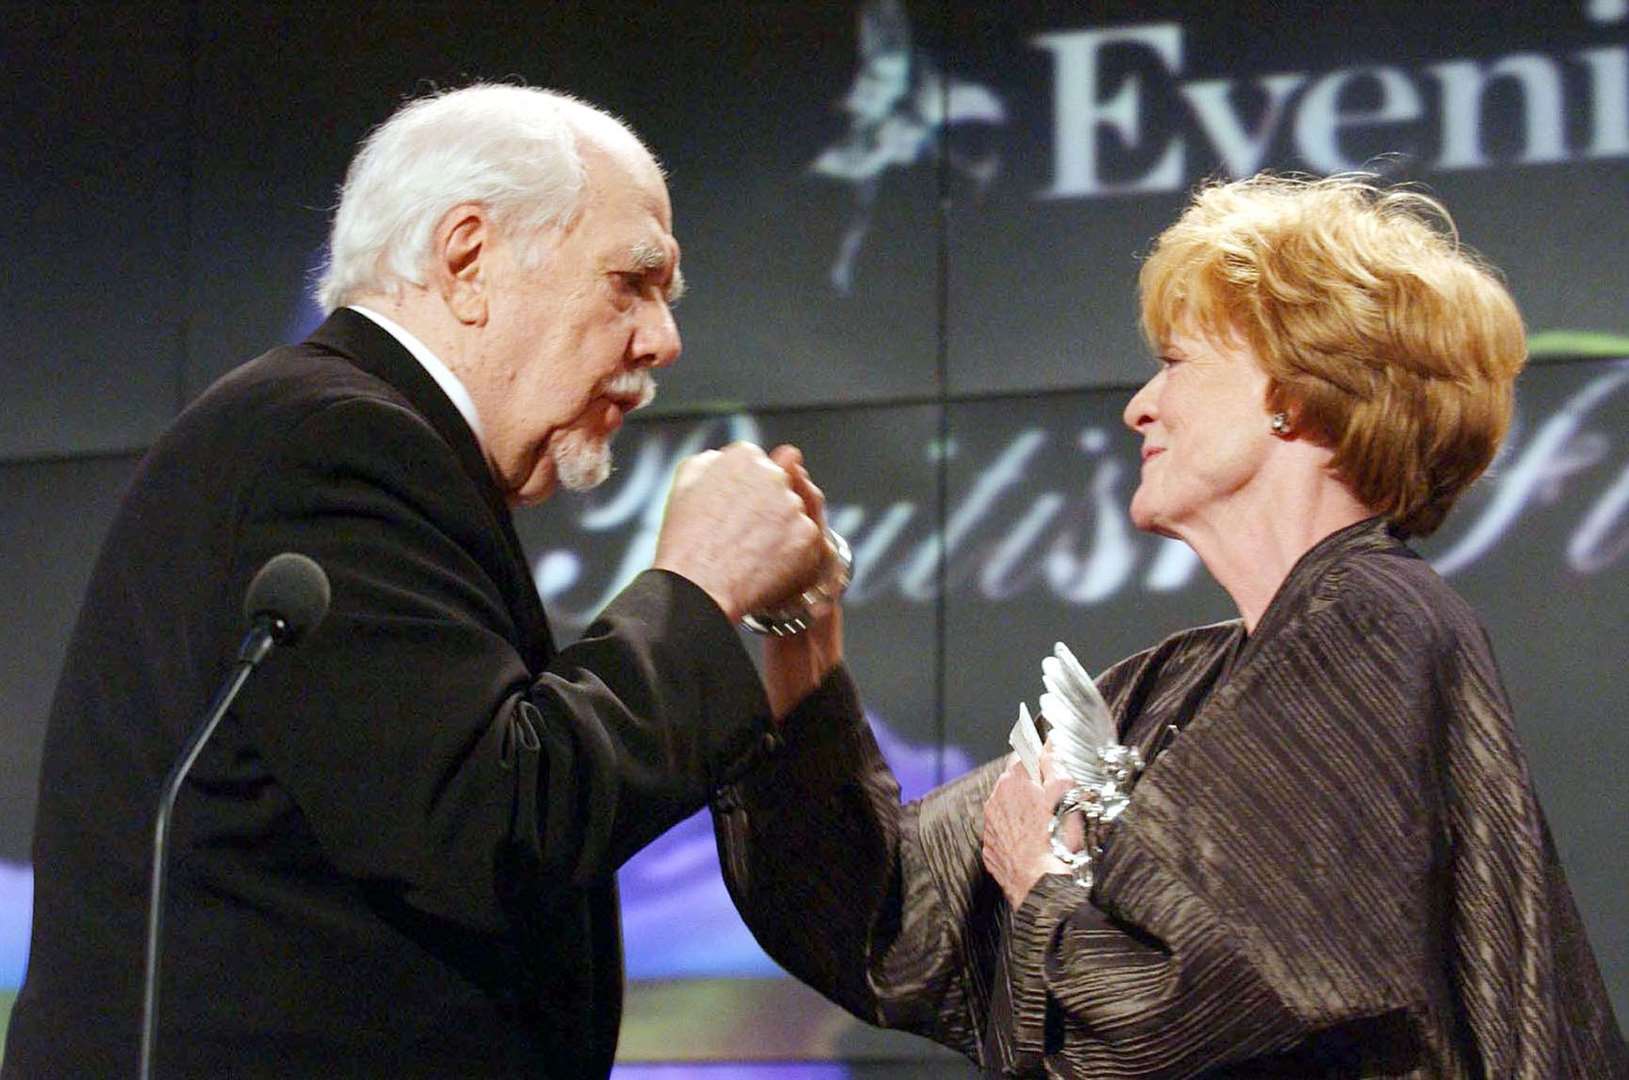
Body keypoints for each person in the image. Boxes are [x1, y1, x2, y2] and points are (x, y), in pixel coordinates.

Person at [715, 175, 1628, 1076]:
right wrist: (802, 622)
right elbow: (881, 912)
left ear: (1294, 394)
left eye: (1178, 362)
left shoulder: (1375, 628)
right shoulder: (1173, 688)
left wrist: (1043, 878)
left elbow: (1203, 1005)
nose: (1138, 406)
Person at [3, 84, 832, 1078]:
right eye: (632, 281)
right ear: (469, 260)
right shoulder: (331, 444)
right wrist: (697, 587)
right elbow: (492, 826)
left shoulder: (365, 444)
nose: (662, 340)